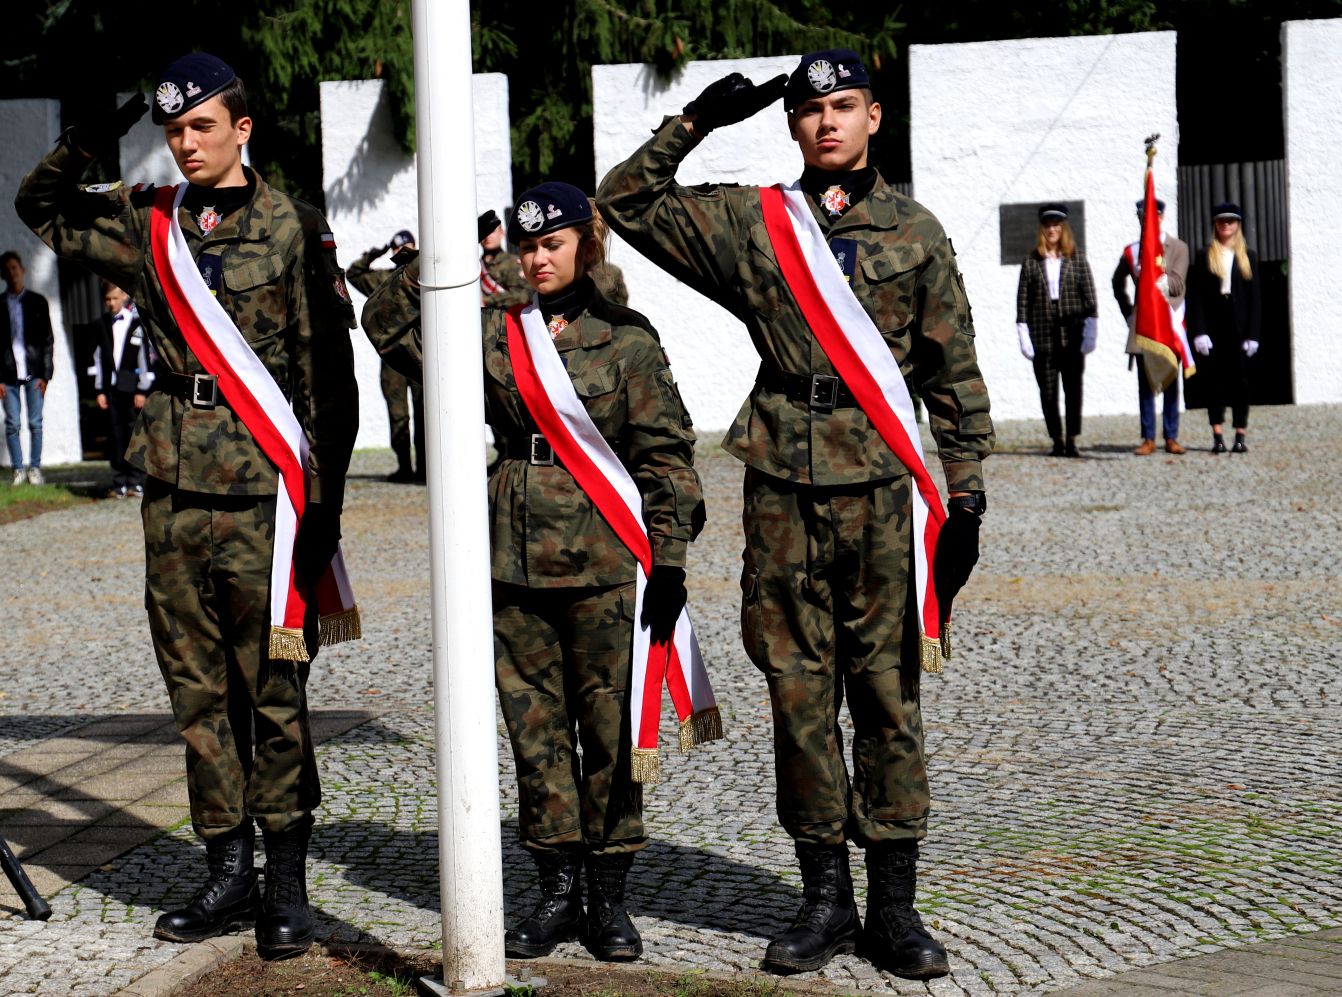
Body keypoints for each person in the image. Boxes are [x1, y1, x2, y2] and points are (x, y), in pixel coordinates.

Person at [597, 50, 991, 979]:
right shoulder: (754, 222)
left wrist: (965, 493)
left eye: (844, 107)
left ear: (875, 117)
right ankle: (825, 901)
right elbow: (625, 201)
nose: (826, 123)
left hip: (879, 488)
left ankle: (895, 907)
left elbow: (953, 370)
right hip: (779, 484)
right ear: (792, 123)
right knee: (797, 693)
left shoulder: (918, 232)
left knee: (888, 694)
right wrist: (695, 121)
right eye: (811, 109)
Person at [17, 53, 360, 958]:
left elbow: (331, 373)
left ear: (242, 129)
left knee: (274, 692)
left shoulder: (294, 226)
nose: (185, 143)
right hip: (171, 491)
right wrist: (92, 137)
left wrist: (324, 509)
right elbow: (39, 209)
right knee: (198, 693)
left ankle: (286, 884)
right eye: (172, 130)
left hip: (264, 496)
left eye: (202, 126)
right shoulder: (147, 218)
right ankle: (227, 870)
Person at [363, 185, 706, 964]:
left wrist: (671, 560)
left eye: (552, 242)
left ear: (588, 243)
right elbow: (389, 329)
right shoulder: (490, 331)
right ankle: (555, 891)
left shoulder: (626, 340)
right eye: (526, 244)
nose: (538, 257)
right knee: (536, 735)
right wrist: (436, 255)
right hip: (511, 562)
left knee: (614, 734)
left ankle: (608, 899)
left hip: (608, 563)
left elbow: (664, 457)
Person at [1016, 204, 1097, 457]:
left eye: (1057, 226)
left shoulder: (1077, 258)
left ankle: (1072, 439)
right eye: (1048, 226)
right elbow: (1023, 300)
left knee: (1073, 389)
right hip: (1042, 333)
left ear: (1063, 229)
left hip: (1072, 334)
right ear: (1043, 229)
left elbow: (1089, 297)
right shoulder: (1031, 260)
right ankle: (1057, 440)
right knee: (1048, 391)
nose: (1052, 230)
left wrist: (1090, 331)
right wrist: (1023, 332)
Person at [1113, 199, 1190, 455]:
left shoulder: (1177, 247)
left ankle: (1171, 435)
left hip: (1168, 321)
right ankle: (1148, 437)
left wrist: (1154, 275)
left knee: (1170, 380)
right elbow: (1117, 281)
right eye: (1142, 215)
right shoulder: (1132, 251)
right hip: (1144, 323)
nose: (1147, 219)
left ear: (1161, 217)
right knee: (1145, 383)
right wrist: (1129, 313)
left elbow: (1178, 285)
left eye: (1153, 215)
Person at [348, 229, 425, 482]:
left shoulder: (424, 274)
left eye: (407, 246)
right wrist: (375, 253)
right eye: (396, 248)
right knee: (398, 414)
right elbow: (354, 273)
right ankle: (404, 467)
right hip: (393, 359)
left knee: (425, 412)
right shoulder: (383, 278)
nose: (400, 251)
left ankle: (426, 468)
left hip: (420, 353)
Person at [1186, 202, 1260, 453]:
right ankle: (1217, 434)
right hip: (1214, 323)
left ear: (1237, 225)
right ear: (1215, 225)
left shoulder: (1248, 256)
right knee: (1214, 382)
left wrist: (1254, 334)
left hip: (1238, 324)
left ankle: (1240, 434)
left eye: (1230, 221)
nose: (1226, 225)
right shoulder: (1204, 254)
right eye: (1221, 221)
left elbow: (1255, 298)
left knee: (1240, 382)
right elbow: (1195, 296)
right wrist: (1199, 331)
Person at [91, 281, 154, 496]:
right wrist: (99, 389)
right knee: (115, 435)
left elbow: (143, 358)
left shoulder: (137, 325)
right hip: (111, 387)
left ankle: (136, 480)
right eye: (107, 300)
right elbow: (98, 359)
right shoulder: (101, 325)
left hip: (132, 388)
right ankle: (119, 481)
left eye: (114, 298)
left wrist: (142, 390)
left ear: (125, 297)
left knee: (133, 433)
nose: (111, 303)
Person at [1, 251, 55, 485]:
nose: (12, 273)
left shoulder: (38, 302)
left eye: (15, 268)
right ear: (3, 275)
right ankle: (17, 469)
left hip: (34, 372)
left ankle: (34, 468)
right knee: (12, 423)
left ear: (22, 270)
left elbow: (47, 340)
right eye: (7, 270)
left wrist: (46, 375)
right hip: (7, 374)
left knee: (35, 423)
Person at [478, 209, 530, 309]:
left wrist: (487, 301)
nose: (488, 236)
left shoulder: (512, 262)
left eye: (492, 231)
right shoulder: (475, 266)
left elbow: (523, 295)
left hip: (505, 321)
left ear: (502, 233)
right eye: (485, 232)